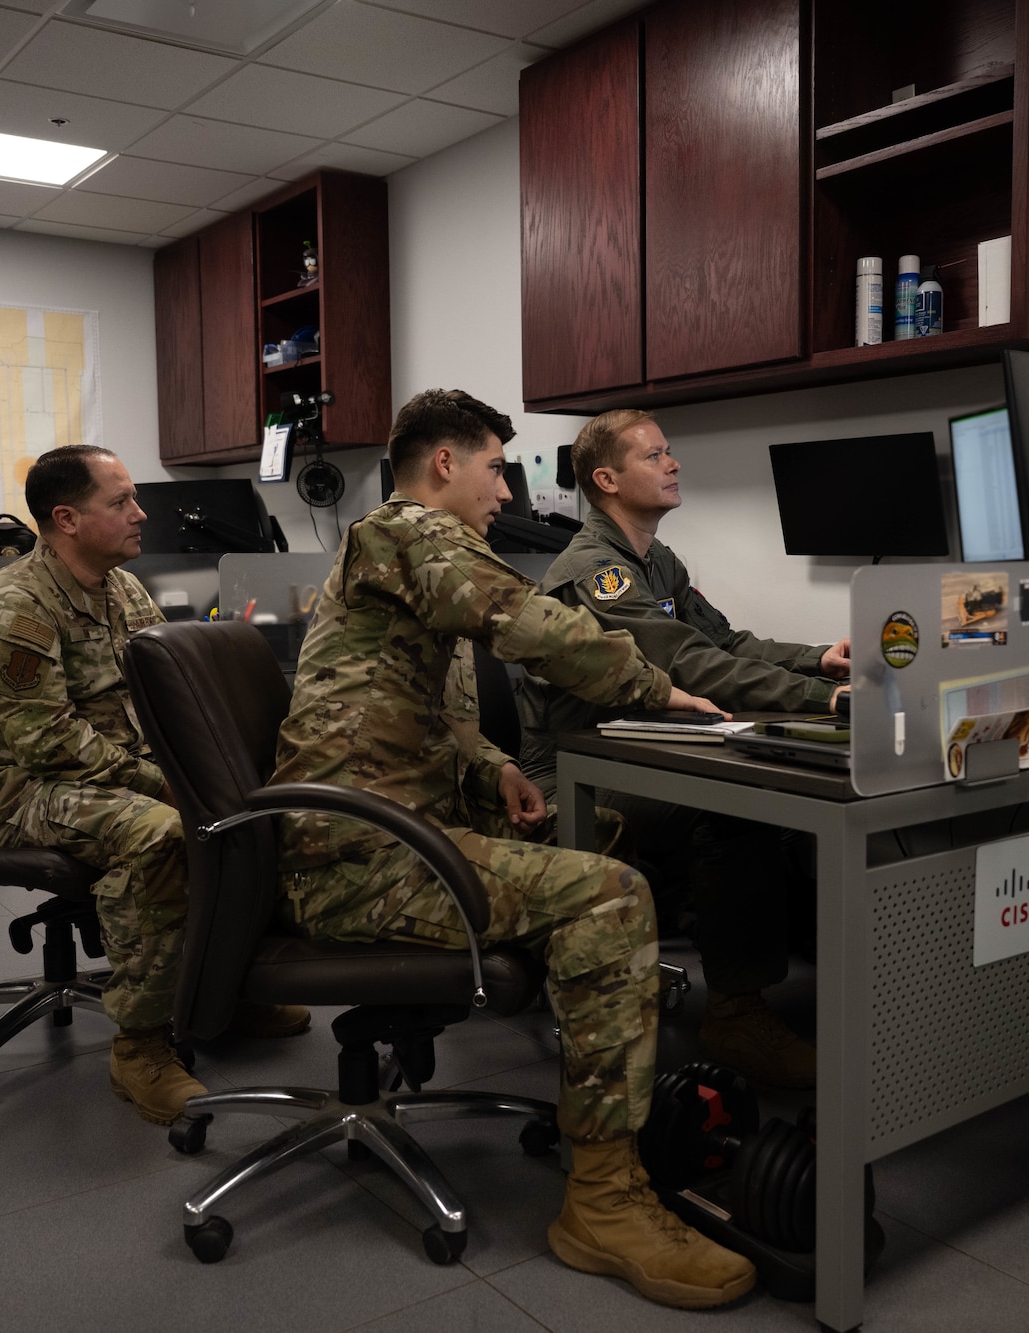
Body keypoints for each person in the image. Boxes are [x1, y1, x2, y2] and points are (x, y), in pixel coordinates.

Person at [270, 389, 757, 1310]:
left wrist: (494, 766)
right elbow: (529, 623)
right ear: (444, 464)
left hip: (395, 824)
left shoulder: (411, 558)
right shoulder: (403, 529)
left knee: (599, 833)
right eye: (496, 465)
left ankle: (625, 1058)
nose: (508, 488)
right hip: (357, 853)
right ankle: (604, 1201)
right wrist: (656, 687)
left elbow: (438, 708)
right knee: (609, 893)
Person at [0, 444, 308, 1129]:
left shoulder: (123, 588)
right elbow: (45, 743)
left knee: (237, 814)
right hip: (18, 790)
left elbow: (163, 700)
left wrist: (202, 774)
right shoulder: (18, 608)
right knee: (163, 836)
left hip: (102, 771)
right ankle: (140, 1047)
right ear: (67, 519)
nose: (141, 513)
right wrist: (166, 784)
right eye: (120, 502)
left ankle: (222, 990)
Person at [517, 409, 850, 1089]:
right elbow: (690, 664)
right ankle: (735, 1013)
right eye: (655, 455)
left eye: (670, 452)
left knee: (765, 793)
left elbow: (726, 643)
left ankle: (753, 991)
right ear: (606, 479)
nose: (673, 464)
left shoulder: (656, 562)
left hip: (636, 754)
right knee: (734, 806)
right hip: (573, 776)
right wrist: (827, 702)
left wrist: (821, 659)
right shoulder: (594, 572)